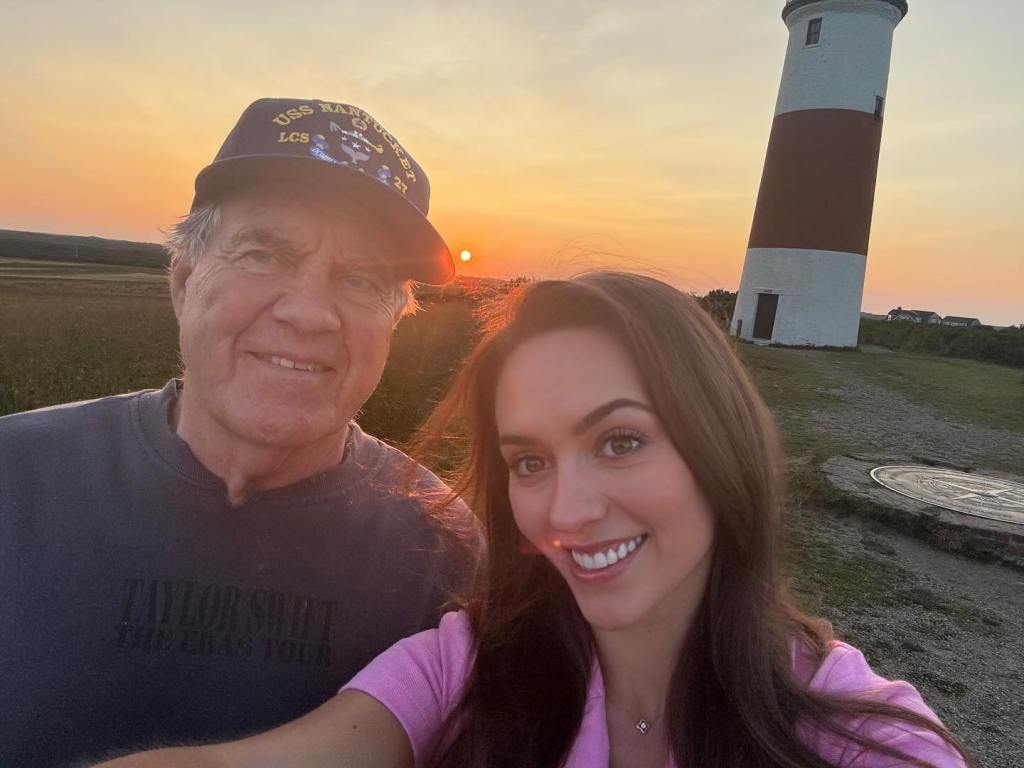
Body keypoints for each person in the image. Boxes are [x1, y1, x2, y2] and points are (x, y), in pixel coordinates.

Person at [94, 272, 972, 768]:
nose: (567, 511)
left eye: (621, 441)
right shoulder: (463, 671)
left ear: (720, 445)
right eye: (529, 462)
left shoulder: (849, 727)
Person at [0, 98, 478, 768]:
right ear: (185, 280)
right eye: (263, 254)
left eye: (363, 278)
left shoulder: (450, 555)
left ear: (395, 323)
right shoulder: (14, 480)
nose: (309, 313)